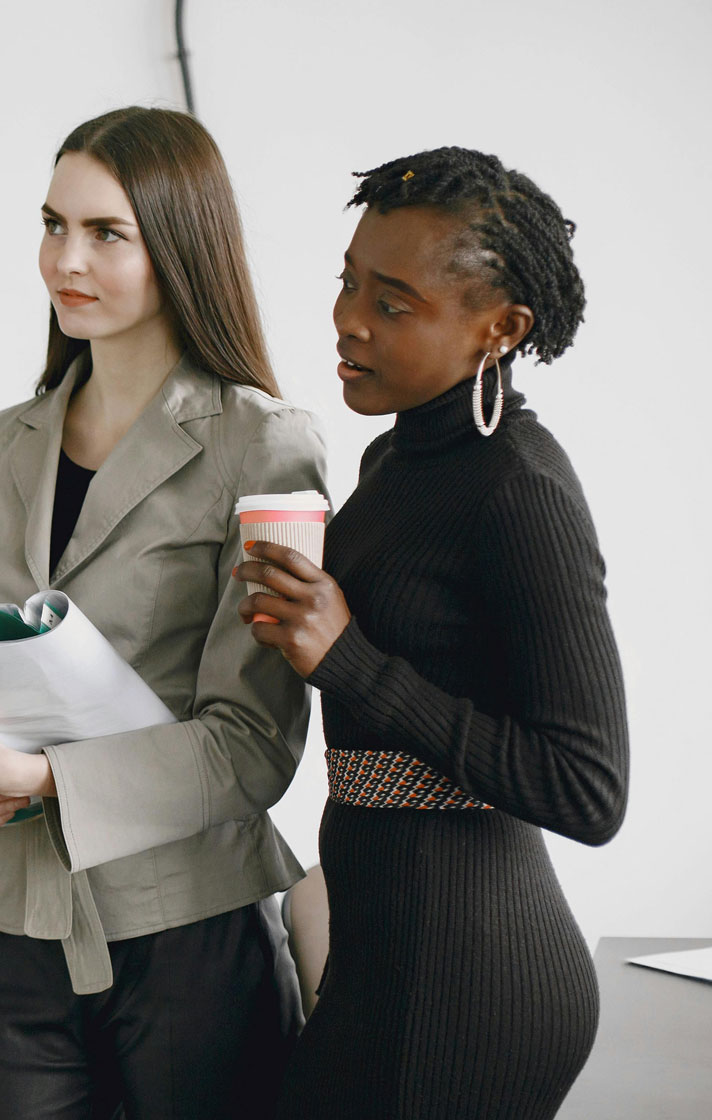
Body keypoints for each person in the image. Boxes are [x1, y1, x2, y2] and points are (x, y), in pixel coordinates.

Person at [0, 106, 324, 1117]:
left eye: (103, 233)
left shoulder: (262, 448)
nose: (63, 260)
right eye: (52, 225)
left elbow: (253, 741)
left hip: (187, 929)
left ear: (177, 244)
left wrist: (37, 777)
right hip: (10, 927)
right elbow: (0, 673)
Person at [238, 147, 629, 1119]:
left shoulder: (518, 492)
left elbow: (587, 788)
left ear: (498, 328)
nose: (346, 319)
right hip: (388, 964)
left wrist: (354, 665)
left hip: (468, 989)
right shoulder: (391, 459)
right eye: (346, 282)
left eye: (392, 302)